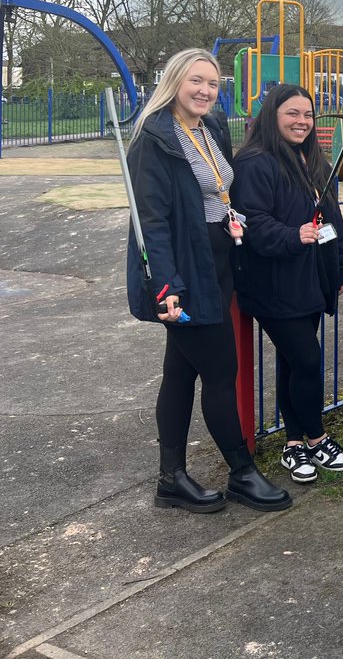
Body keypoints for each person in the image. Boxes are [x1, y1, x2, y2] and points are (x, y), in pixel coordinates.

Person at [125, 48, 291, 513]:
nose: (204, 91)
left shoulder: (212, 127)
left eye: (213, 83)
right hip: (183, 270)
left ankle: (171, 479)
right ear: (175, 81)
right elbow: (151, 223)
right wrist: (166, 284)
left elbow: (221, 189)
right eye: (195, 81)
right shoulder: (154, 141)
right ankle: (241, 473)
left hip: (219, 259)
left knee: (179, 371)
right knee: (221, 371)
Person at [230, 85, 343, 484]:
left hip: (311, 280)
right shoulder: (254, 162)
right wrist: (292, 235)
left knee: (291, 363)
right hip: (274, 283)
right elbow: (251, 220)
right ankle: (317, 437)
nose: (302, 122)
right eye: (293, 114)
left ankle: (293, 444)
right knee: (306, 360)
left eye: (308, 115)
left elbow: (330, 222)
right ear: (273, 115)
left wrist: (340, 268)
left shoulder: (312, 160)